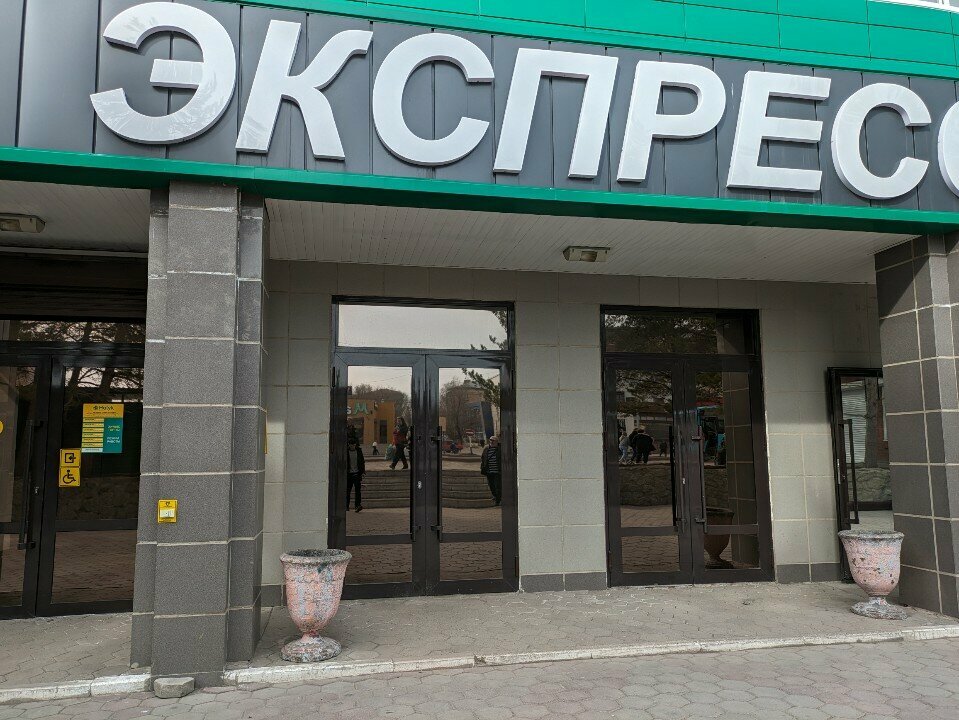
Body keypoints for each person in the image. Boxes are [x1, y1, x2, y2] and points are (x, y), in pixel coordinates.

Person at [480, 435, 502, 506]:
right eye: (490, 440)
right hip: (489, 471)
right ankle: (495, 496)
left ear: (497, 441)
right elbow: (483, 458)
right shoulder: (486, 448)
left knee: (497, 486)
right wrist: (482, 466)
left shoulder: (500, 449)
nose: (491, 441)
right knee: (491, 485)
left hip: (497, 471)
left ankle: (498, 500)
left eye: (493, 440)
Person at [346, 433, 365, 513]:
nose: (352, 447)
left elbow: (362, 461)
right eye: (351, 445)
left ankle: (357, 506)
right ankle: (346, 506)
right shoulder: (346, 452)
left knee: (358, 491)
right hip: (349, 474)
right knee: (348, 491)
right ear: (349, 445)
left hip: (357, 474)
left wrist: (363, 471)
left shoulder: (359, 451)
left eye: (354, 445)